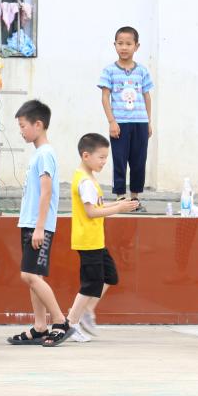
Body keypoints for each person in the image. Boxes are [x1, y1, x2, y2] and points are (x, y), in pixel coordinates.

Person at [7, 100, 73, 347]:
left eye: (23, 126)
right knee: (33, 276)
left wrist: (39, 228)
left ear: (38, 124)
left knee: (30, 275)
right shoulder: (39, 154)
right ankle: (39, 326)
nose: (21, 131)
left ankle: (60, 321)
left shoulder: (45, 154)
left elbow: (46, 192)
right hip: (31, 223)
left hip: (38, 225)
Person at [65, 134, 136, 343]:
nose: (104, 162)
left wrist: (119, 205)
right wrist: (119, 209)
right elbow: (91, 212)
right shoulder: (85, 181)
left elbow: (96, 206)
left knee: (110, 276)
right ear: (86, 156)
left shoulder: (87, 177)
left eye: (106, 157)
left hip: (96, 240)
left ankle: (86, 310)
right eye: (101, 157)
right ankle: (71, 322)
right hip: (88, 240)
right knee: (90, 284)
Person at [97, 26, 154, 204]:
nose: (124, 47)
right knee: (120, 160)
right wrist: (111, 122)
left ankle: (135, 198)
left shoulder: (142, 71)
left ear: (136, 46)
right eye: (120, 43)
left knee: (139, 161)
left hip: (140, 123)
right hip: (119, 123)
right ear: (114, 45)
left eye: (128, 44)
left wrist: (148, 122)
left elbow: (146, 96)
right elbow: (105, 97)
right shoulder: (109, 71)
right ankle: (120, 196)